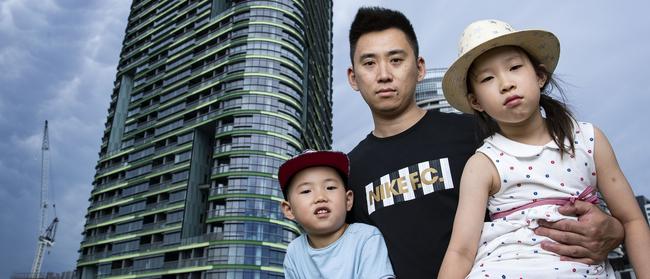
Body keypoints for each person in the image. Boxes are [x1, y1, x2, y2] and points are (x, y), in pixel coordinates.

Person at [345, 7, 626, 278]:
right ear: (353, 77)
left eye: (396, 60)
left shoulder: (483, 135)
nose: (383, 74)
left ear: (420, 68)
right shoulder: (349, 172)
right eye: (369, 63)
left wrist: (615, 229)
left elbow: (566, 182)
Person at [437, 19, 650, 278]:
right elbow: (461, 251)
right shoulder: (483, 163)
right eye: (488, 78)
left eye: (514, 67)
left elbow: (632, 220)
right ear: (476, 101)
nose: (506, 83)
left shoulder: (588, 139)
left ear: (539, 76)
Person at [278, 150, 395, 279]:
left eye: (330, 187)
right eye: (306, 191)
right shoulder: (294, 251)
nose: (320, 197)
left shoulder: (366, 238)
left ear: (348, 200)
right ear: (289, 210)